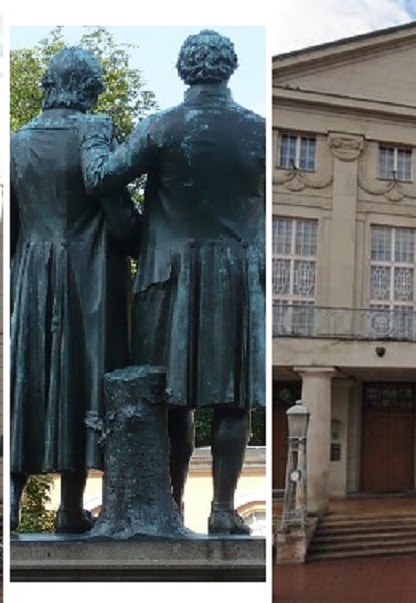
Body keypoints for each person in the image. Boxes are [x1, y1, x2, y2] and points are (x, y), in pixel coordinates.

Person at [82, 30, 265, 534]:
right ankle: (225, 510)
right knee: (233, 401)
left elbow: (101, 178)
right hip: (234, 276)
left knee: (168, 401)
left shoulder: (161, 126)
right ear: (229, 69)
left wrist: (96, 135)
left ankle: (173, 508)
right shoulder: (259, 131)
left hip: (167, 276)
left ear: (185, 70)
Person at [9, 47, 140, 533]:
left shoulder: (15, 142)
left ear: (48, 84)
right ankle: (69, 506)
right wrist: (142, 238)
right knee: (86, 377)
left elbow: (11, 227)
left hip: (32, 275)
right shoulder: (95, 128)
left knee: (30, 378)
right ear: (88, 88)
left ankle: (12, 503)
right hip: (91, 275)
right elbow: (116, 207)